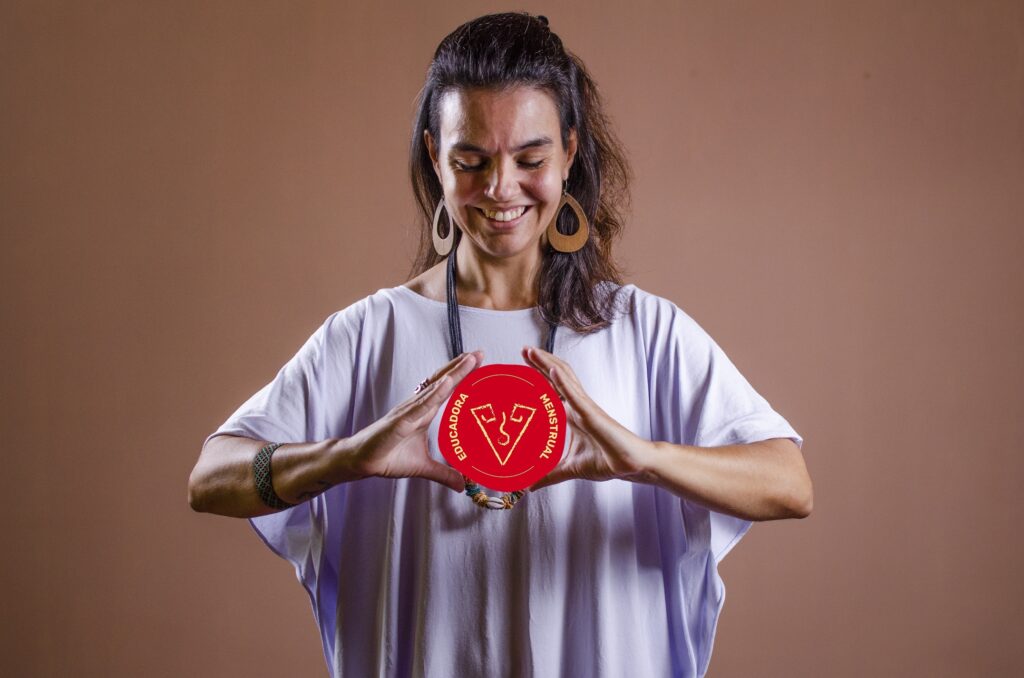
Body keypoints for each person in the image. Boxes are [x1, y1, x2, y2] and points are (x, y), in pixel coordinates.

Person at [188, 12, 812, 678]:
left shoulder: (642, 330)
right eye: (471, 162)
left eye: (530, 159)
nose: (499, 188)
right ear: (435, 156)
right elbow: (211, 477)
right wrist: (347, 457)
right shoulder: (371, 333)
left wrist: (643, 458)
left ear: (569, 153)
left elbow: (789, 483)